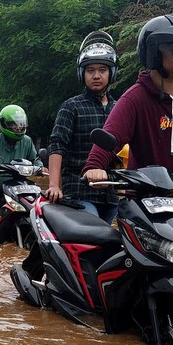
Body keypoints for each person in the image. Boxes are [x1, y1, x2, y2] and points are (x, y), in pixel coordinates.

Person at [83, 15, 173, 196]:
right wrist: (94, 166)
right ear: (153, 53)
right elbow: (112, 135)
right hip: (142, 200)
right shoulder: (135, 97)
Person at [46, 30, 120, 223]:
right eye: (90, 71)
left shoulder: (119, 108)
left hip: (112, 194)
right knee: (91, 237)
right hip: (79, 193)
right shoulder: (71, 106)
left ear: (111, 73)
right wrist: (54, 185)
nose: (96, 76)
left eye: (102, 70)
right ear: (82, 74)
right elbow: (57, 145)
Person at [0, 104, 41, 235]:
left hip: (19, 189)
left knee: (37, 209)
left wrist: (41, 167)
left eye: (20, 124)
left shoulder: (27, 141)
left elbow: (35, 160)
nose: (18, 127)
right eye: (13, 124)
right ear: (4, 124)